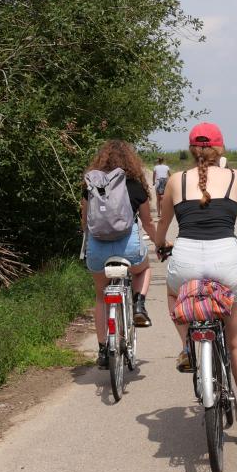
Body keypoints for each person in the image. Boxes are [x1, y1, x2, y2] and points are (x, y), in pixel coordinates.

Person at [156, 122, 237, 422]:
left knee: (171, 292)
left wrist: (160, 243)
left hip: (186, 259)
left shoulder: (176, 180)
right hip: (225, 261)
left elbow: (163, 225)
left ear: (191, 150)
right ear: (221, 149)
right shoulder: (235, 177)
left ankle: (188, 346)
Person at [82, 140, 159, 367]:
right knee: (143, 269)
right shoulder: (134, 184)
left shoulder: (91, 184)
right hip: (128, 248)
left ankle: (103, 350)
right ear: (130, 159)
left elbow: (84, 221)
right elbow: (148, 222)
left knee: (100, 295)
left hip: (97, 249)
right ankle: (138, 304)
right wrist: (159, 244)